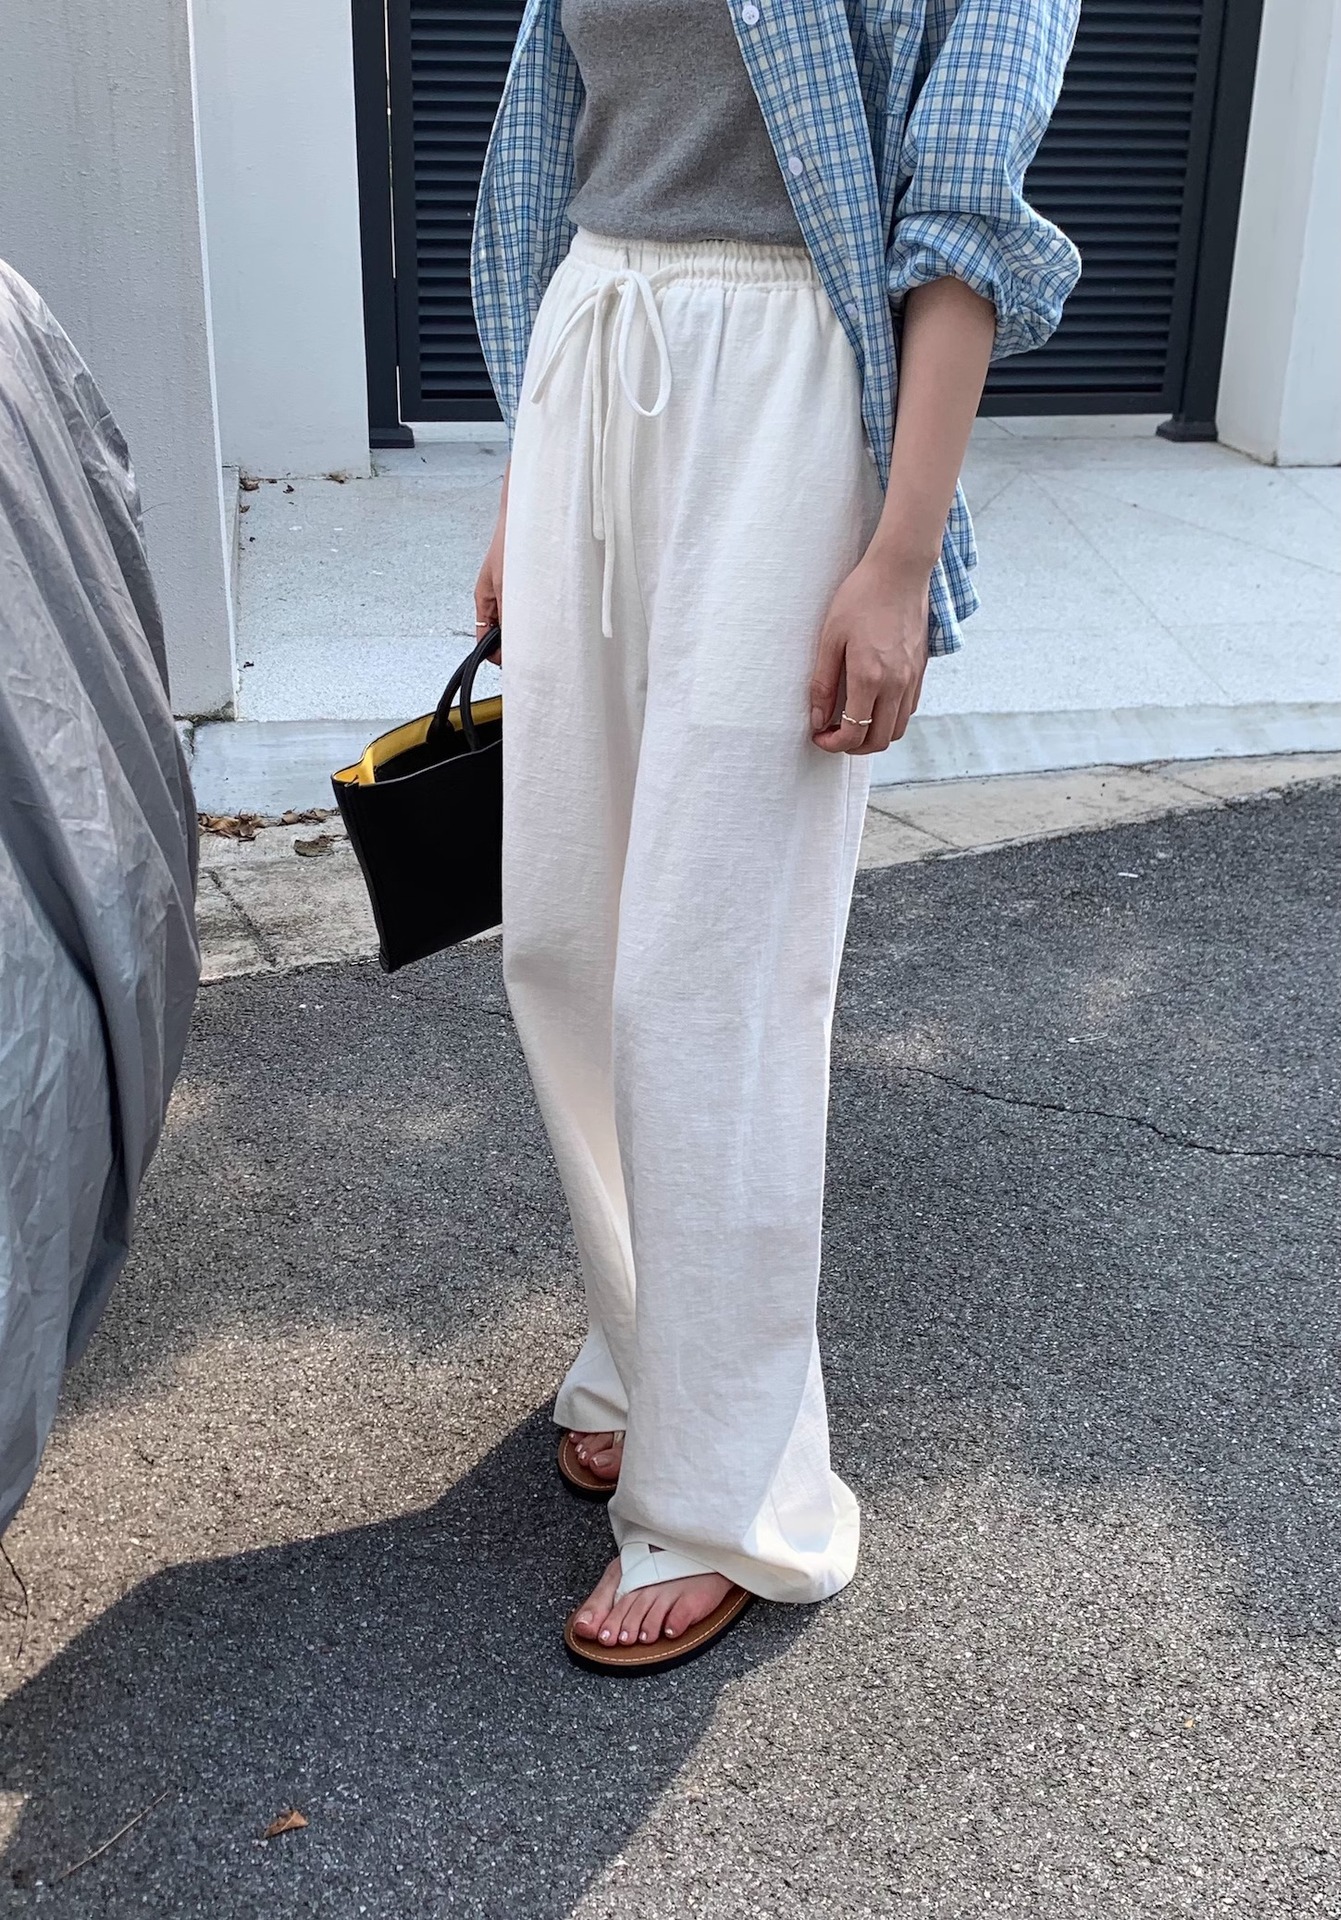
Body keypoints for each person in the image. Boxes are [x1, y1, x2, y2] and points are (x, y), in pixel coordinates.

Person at [471, 0, 1081, 1671]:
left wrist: (898, 556)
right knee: (564, 939)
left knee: (711, 974)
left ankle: (732, 1488)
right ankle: (645, 1351)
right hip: (593, 349)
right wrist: (522, 486)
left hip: (789, 378)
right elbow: (549, 155)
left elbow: (963, 216)